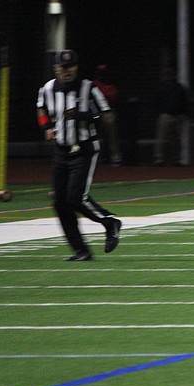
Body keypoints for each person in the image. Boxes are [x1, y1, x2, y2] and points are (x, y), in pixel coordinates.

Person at [36, 49, 122, 261]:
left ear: (76, 67)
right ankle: (81, 250)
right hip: (61, 150)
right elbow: (41, 108)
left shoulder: (88, 88)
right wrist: (47, 127)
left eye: (71, 67)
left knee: (75, 198)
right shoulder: (47, 88)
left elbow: (108, 117)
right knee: (59, 201)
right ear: (56, 68)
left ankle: (110, 222)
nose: (67, 71)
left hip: (84, 148)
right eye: (63, 67)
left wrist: (83, 115)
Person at [151, 70, 189, 166]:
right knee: (161, 138)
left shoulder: (179, 88)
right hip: (165, 115)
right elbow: (155, 100)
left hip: (177, 116)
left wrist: (183, 113)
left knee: (176, 140)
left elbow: (184, 101)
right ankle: (159, 159)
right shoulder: (161, 87)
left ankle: (175, 160)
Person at [92, 64, 123, 166]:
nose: (102, 76)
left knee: (112, 134)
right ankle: (97, 157)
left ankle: (115, 157)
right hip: (95, 112)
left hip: (109, 112)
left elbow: (113, 97)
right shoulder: (94, 84)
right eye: (100, 73)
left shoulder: (111, 85)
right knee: (94, 135)